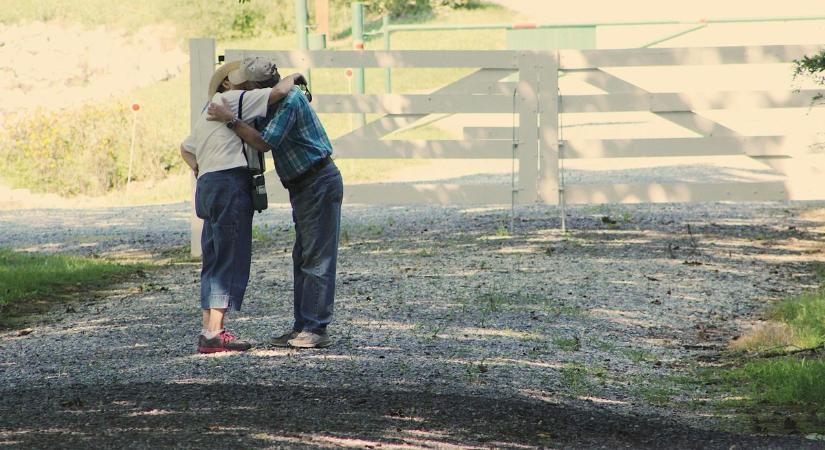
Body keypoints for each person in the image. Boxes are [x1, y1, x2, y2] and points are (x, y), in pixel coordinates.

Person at [207, 72, 342, 349]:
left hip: (316, 180)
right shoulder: (276, 100)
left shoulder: (288, 102)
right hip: (304, 183)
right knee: (303, 256)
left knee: (316, 257)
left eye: (247, 89)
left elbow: (264, 142)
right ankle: (303, 326)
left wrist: (230, 120)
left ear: (259, 88)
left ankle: (316, 328)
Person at [180, 57, 303, 353]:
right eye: (236, 77)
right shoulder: (234, 99)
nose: (243, 80)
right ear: (226, 84)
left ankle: (208, 330)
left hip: (208, 184)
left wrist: (200, 167)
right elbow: (278, 92)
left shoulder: (206, 112)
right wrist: (297, 75)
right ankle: (215, 334)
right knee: (230, 255)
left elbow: (185, 148)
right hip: (229, 181)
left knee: (213, 257)